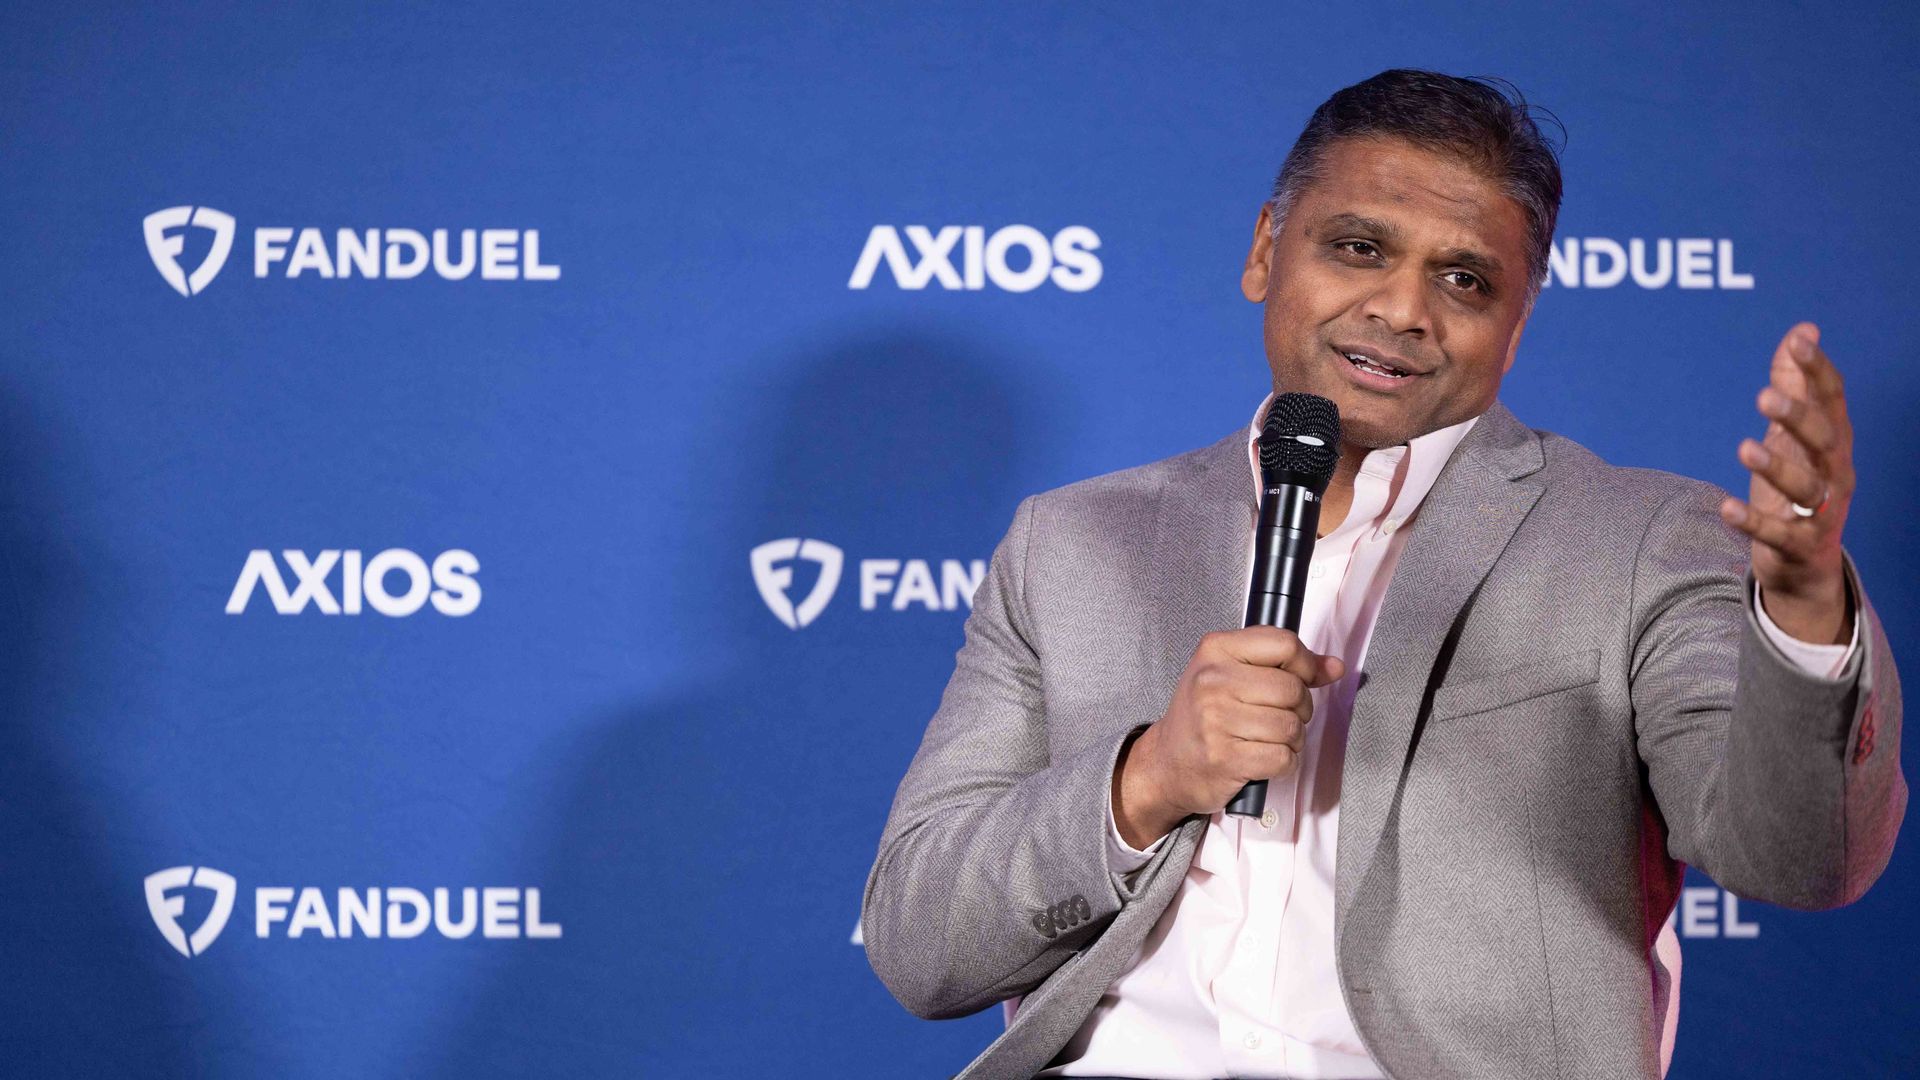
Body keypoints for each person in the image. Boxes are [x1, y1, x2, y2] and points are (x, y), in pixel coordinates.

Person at [860, 69, 1904, 1080]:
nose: (1403, 309)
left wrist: (1806, 610)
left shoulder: (1642, 538)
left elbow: (1802, 860)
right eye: (1359, 247)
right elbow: (919, 945)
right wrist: (1149, 780)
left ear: (1520, 317)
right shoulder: (1074, 544)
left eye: (1464, 279)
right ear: (1267, 249)